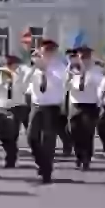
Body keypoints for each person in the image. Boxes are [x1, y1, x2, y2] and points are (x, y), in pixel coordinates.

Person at [25, 40, 67, 182]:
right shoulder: (35, 66)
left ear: (54, 52)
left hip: (52, 106)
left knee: (48, 140)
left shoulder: (59, 67)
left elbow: (60, 82)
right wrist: (33, 67)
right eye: (45, 50)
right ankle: (42, 163)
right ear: (40, 51)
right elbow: (24, 82)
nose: (47, 53)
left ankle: (47, 170)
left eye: (50, 50)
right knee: (31, 137)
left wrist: (46, 70)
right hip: (37, 105)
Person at [67, 44, 104, 171]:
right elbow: (64, 85)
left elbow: (101, 86)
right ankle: (78, 154)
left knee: (87, 133)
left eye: (86, 56)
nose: (83, 58)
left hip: (90, 105)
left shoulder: (96, 70)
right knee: (74, 131)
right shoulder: (71, 69)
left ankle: (86, 158)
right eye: (80, 56)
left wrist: (86, 73)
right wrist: (70, 73)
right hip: (75, 104)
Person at [0, 55, 33, 169]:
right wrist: (2, 81)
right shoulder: (3, 74)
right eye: (8, 64)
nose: (10, 66)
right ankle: (12, 153)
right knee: (4, 136)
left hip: (18, 107)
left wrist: (19, 79)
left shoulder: (23, 74)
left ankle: (10, 159)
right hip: (4, 107)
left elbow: (25, 89)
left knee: (12, 134)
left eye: (11, 64)